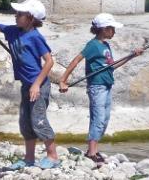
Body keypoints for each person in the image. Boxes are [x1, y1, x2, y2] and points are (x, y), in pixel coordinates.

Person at [0, 0, 59, 169]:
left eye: (20, 14)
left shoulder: (35, 37)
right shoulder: (14, 31)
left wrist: (36, 85)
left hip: (38, 86)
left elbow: (49, 61)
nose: (16, 16)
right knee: (25, 121)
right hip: (26, 85)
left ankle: (52, 156)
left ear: (30, 18)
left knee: (38, 120)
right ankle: (29, 158)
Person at [58, 13, 143, 165]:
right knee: (98, 119)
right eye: (112, 28)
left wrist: (131, 56)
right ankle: (91, 153)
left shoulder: (105, 45)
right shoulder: (93, 45)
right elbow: (76, 60)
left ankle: (93, 150)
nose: (114, 32)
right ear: (104, 29)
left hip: (107, 85)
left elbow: (111, 67)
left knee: (104, 119)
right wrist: (63, 80)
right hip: (97, 87)